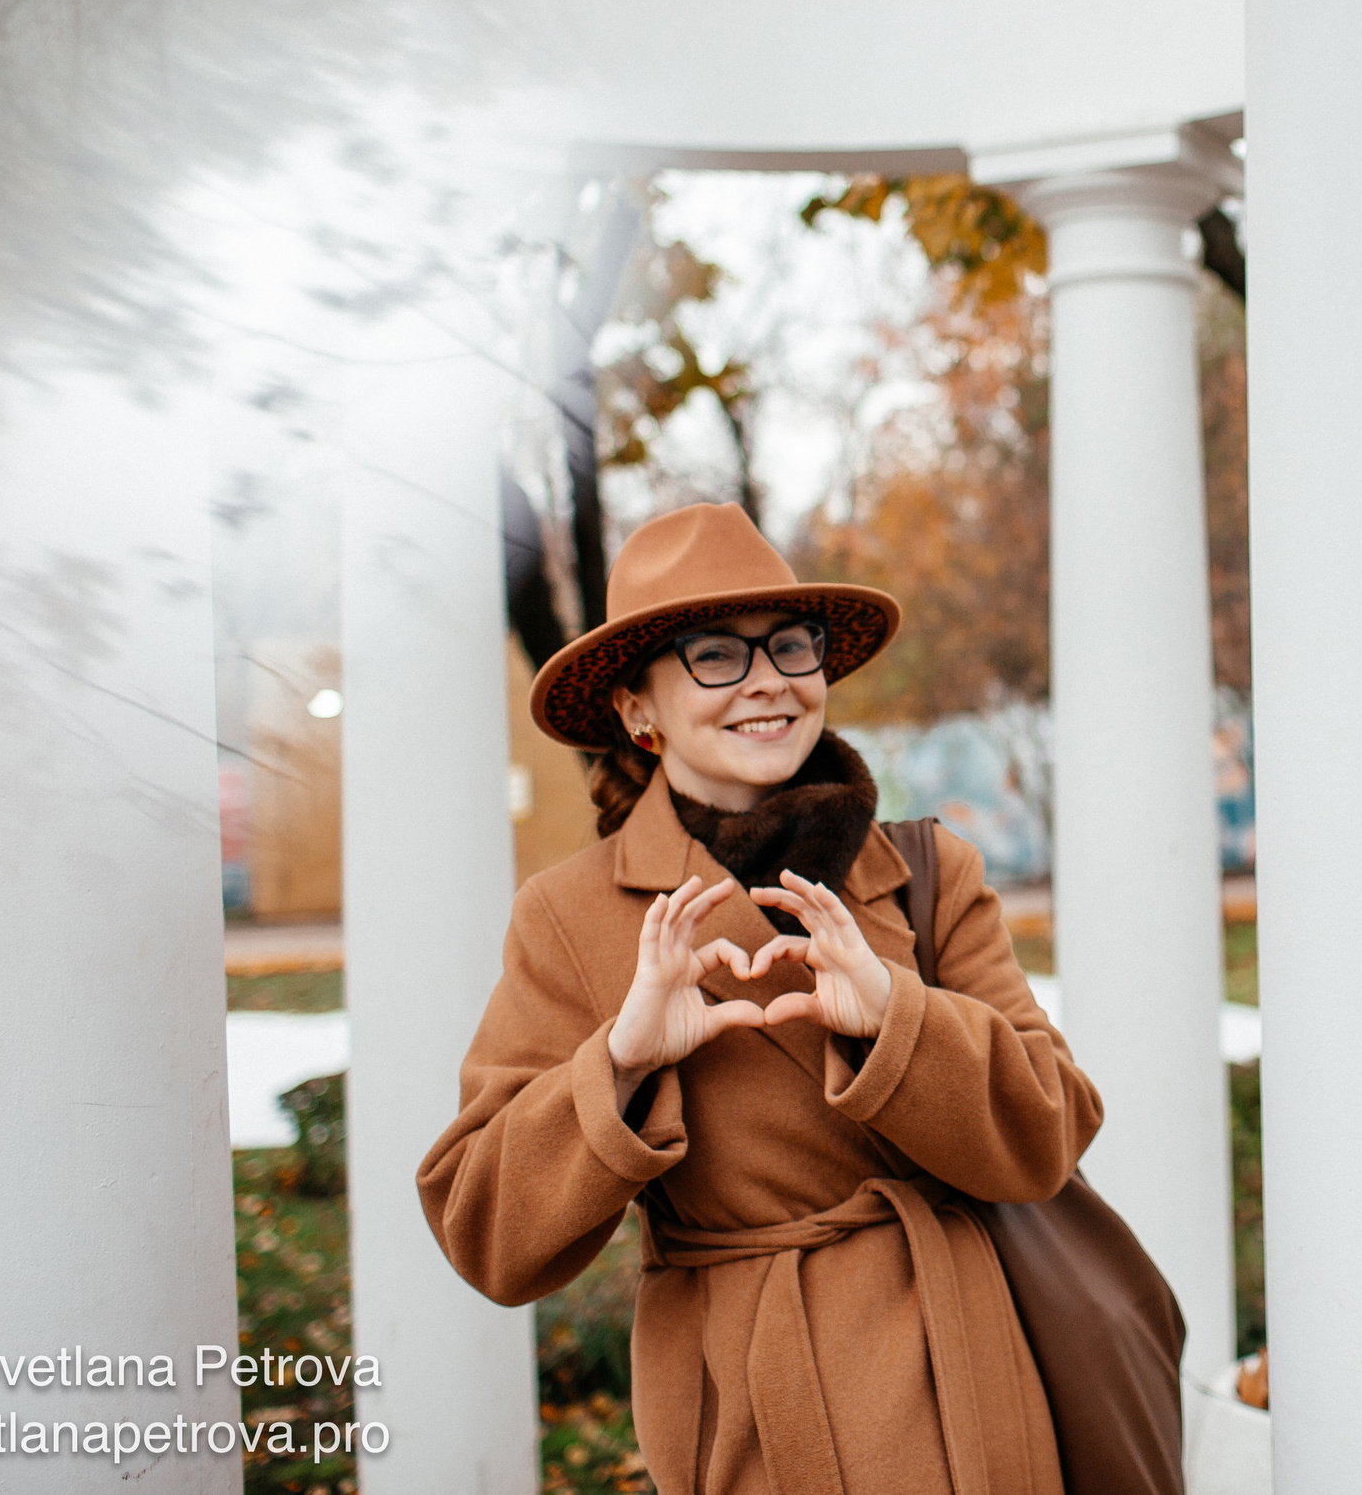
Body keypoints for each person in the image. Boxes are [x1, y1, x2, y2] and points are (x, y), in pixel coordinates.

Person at [419, 502, 1100, 1495]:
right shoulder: (568, 917)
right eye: (714, 656)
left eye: (790, 645)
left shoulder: (926, 871)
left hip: (972, 1391)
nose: (769, 680)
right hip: (750, 1411)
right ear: (637, 710)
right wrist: (621, 1061)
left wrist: (895, 1023)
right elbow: (486, 1232)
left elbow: (1051, 1132)